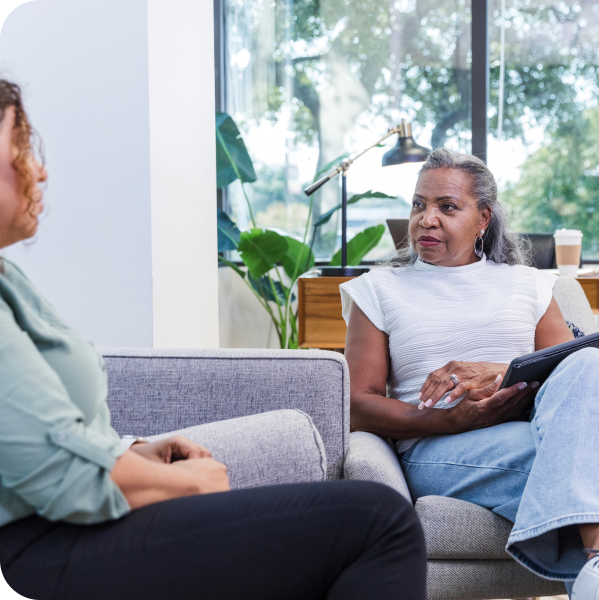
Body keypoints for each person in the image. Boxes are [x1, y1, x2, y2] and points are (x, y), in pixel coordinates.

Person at [0, 79, 426, 600]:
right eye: (20, 149)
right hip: (31, 548)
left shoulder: (8, 281)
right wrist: (190, 484)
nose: (38, 169)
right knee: (379, 522)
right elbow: (63, 477)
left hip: (57, 525)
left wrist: (133, 449)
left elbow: (30, 435)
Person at [342, 148, 599, 600]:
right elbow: (355, 404)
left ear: (483, 218)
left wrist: (500, 372)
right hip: (436, 445)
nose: (426, 219)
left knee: (586, 363)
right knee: (596, 455)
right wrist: (444, 420)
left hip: (533, 426)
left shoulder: (527, 284)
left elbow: (572, 374)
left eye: (447, 207)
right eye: (418, 205)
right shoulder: (379, 288)